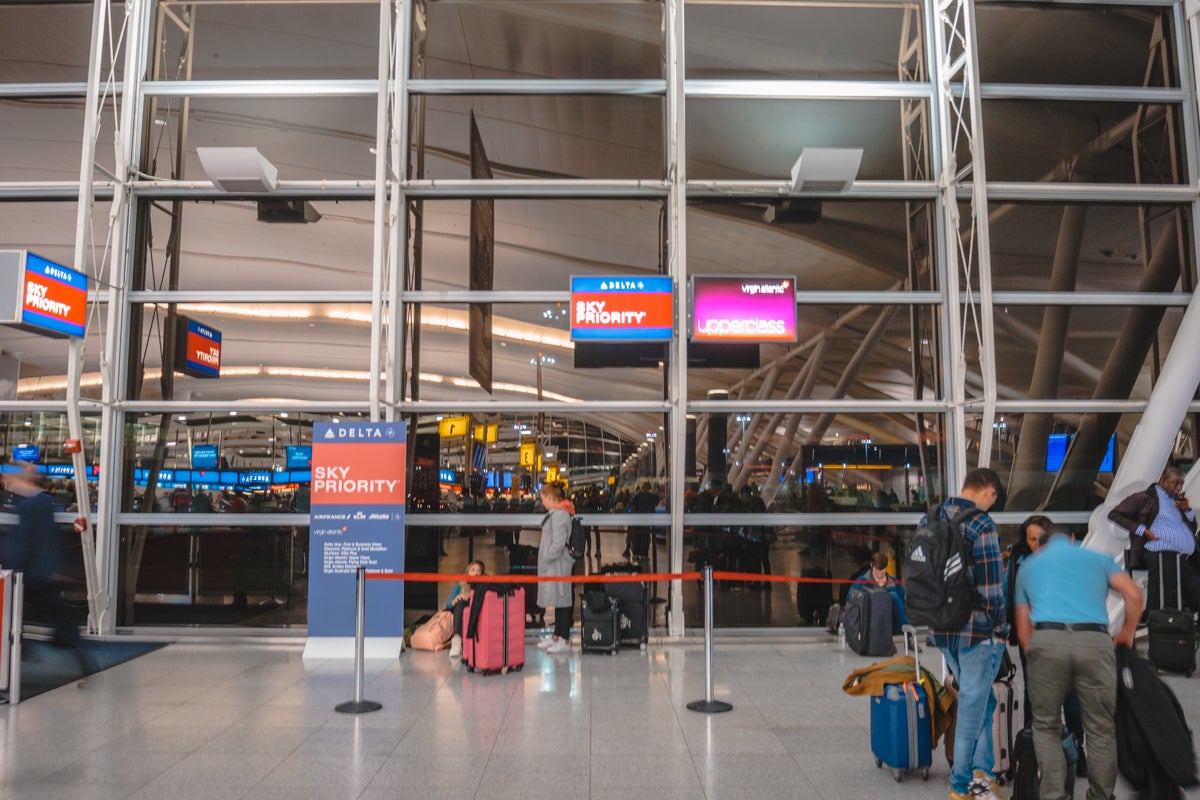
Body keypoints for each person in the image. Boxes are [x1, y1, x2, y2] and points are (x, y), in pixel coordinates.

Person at [1013, 524, 1143, 800]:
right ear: (1073, 539)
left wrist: (1041, 659)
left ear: (1043, 545)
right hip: (1094, 641)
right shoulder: (1098, 559)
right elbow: (1133, 594)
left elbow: (1024, 635)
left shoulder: (1027, 568)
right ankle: (1100, 795)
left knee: (1046, 725)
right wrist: (1128, 632)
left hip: (1047, 640)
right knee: (1100, 726)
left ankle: (1054, 796)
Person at [926, 467, 1008, 800]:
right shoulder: (981, 524)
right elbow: (993, 587)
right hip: (977, 632)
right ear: (989, 491)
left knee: (982, 699)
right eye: (994, 499)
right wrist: (1000, 628)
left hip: (942, 628)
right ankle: (960, 787)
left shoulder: (932, 517)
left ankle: (983, 772)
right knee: (972, 710)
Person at [1007, 516, 1086, 774]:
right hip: (1031, 637)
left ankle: (1076, 747)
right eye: (1030, 539)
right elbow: (1011, 597)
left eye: (1040, 538)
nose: (1035, 544)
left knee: (1071, 694)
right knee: (1034, 692)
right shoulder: (1019, 562)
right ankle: (1034, 749)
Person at [2, 465, 97, 679]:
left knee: (15, 615)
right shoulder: (40, 501)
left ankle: (24, 652)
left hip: (30, 574)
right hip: (40, 573)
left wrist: (14, 567)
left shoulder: (30, 504)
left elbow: (28, 541)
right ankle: (80, 655)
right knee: (56, 616)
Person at [1107, 465, 1197, 611]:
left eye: (1181, 484)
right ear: (1163, 480)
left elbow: (1191, 529)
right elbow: (1114, 514)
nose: (1179, 488)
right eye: (1175, 483)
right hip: (1159, 552)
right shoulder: (1144, 498)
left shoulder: (1177, 502)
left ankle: (1181, 621)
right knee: (1163, 591)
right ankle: (1159, 621)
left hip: (1183, 557)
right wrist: (1143, 530)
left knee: (1193, 588)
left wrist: (1187, 510)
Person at [537, 482, 575, 654]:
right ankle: (557, 635)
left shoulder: (559, 515)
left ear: (551, 498)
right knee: (560, 601)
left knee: (563, 600)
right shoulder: (557, 514)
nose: (542, 502)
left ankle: (564, 638)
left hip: (559, 564)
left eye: (543, 498)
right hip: (556, 564)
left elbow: (559, 542)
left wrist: (547, 556)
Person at [848, 552, 908, 633]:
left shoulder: (894, 582)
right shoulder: (861, 581)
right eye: (877, 573)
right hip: (869, 624)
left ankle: (907, 632)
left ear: (886, 568)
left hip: (890, 625)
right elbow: (850, 601)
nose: (879, 576)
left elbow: (903, 604)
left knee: (893, 596)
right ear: (871, 565)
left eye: (882, 573)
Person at [446, 559, 485, 660]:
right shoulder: (460, 586)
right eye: (473, 570)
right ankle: (457, 640)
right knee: (460, 601)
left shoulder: (483, 588)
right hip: (461, 613)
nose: (476, 573)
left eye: (478, 571)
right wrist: (455, 600)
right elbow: (448, 605)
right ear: (467, 573)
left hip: (476, 615)